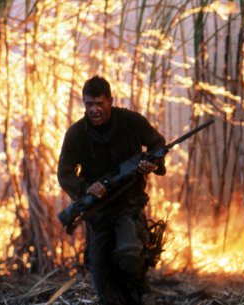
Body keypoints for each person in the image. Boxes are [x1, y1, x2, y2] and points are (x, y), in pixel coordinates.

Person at [57, 75, 166, 305]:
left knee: (128, 252)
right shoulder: (76, 133)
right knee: (103, 280)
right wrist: (87, 188)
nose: (94, 110)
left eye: (99, 103)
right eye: (89, 104)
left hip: (128, 204)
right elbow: (65, 174)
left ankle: (141, 291)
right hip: (98, 212)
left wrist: (152, 164)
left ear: (110, 101)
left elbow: (158, 144)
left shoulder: (131, 121)